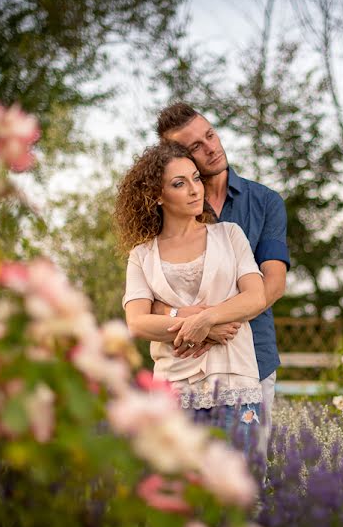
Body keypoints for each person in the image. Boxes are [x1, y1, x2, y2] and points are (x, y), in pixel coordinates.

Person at [154, 103, 290, 460]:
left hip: (252, 361)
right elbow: (149, 298)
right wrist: (197, 324)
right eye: (196, 146)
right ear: (176, 156)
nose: (211, 147)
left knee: (245, 482)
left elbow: (273, 284)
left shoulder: (265, 203)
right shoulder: (161, 214)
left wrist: (210, 320)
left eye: (210, 135)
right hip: (183, 364)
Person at [116, 142, 268, 450]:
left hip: (234, 379)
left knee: (237, 486)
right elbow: (137, 323)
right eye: (179, 183)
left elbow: (255, 298)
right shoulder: (142, 255)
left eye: (196, 178)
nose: (194, 189)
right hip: (173, 386)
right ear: (156, 195)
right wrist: (200, 325)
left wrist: (206, 318)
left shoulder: (230, 235)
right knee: (179, 490)